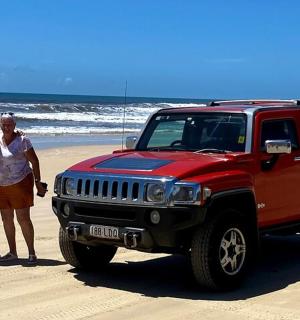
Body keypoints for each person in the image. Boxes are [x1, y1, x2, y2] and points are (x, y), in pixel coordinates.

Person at [0, 112, 47, 264]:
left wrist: (38, 182)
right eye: (3, 124)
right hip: (2, 184)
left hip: (21, 182)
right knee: (6, 218)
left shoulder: (23, 140)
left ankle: (31, 253)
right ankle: (12, 252)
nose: (6, 127)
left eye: (9, 124)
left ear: (15, 125)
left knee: (23, 218)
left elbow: (35, 161)